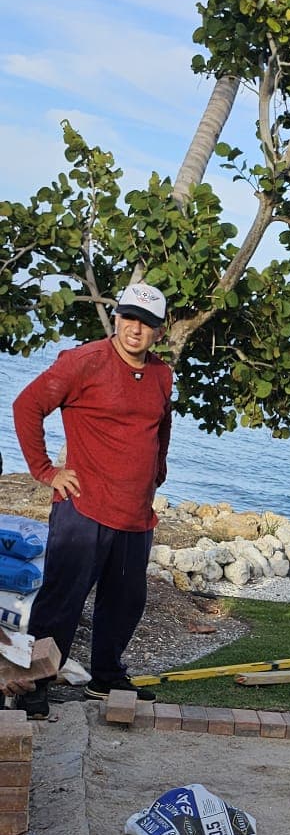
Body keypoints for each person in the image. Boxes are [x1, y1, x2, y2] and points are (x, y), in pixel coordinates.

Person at [12, 282, 173, 717]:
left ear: (159, 331)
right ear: (117, 317)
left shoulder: (161, 374)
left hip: (136, 513)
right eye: (128, 318)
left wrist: (156, 473)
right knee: (61, 602)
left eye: (146, 324)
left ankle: (106, 677)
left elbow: (161, 425)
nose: (135, 330)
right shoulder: (84, 362)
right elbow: (26, 406)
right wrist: (46, 471)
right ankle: (35, 685)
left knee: (125, 602)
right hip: (83, 508)